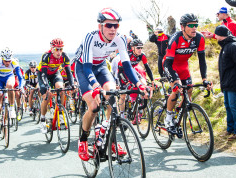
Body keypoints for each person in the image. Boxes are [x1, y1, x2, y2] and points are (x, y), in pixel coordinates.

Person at [75, 8, 151, 161]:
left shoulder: (120, 39)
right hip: (84, 68)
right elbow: (88, 68)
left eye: (116, 26)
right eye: (109, 25)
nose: (112, 29)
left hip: (102, 67)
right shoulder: (91, 37)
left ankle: (109, 139)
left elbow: (127, 66)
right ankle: (83, 140)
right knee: (94, 107)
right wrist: (96, 86)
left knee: (113, 101)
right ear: (100, 26)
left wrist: (139, 84)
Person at [163, 13, 212, 135]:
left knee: (189, 93)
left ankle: (179, 114)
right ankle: (168, 118)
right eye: (191, 25)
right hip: (171, 65)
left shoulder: (199, 38)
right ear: (182, 27)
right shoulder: (175, 39)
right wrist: (175, 82)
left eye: (196, 25)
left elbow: (202, 60)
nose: (194, 28)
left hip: (184, 66)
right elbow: (168, 63)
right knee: (176, 90)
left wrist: (204, 79)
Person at [37, 38, 75, 134]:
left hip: (54, 73)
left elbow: (69, 73)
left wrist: (72, 84)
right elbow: (44, 74)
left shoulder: (65, 56)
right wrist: (46, 85)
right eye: (56, 49)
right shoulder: (46, 56)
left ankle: (61, 113)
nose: (59, 52)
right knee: (47, 95)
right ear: (51, 48)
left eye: (60, 49)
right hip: (43, 74)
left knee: (61, 89)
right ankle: (42, 119)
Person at [214, 25, 236, 140]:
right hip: (225, 83)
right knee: (228, 106)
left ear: (220, 35)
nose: (215, 37)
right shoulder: (225, 46)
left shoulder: (233, 46)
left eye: (216, 34)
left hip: (234, 82)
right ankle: (230, 129)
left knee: (234, 106)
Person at [117, 39, 154, 124]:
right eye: (138, 48)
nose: (140, 49)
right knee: (123, 95)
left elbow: (147, 68)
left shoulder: (142, 55)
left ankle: (139, 104)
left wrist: (152, 80)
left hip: (132, 71)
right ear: (132, 48)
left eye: (141, 47)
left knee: (144, 84)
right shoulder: (127, 55)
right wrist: (126, 82)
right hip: (122, 72)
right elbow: (122, 69)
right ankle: (122, 115)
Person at [0, 47, 24, 134]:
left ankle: (12, 108)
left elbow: (20, 77)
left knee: (10, 86)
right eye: (5, 61)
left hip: (9, 77)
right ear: (2, 59)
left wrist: (21, 86)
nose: (8, 63)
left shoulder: (14, 62)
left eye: (9, 61)